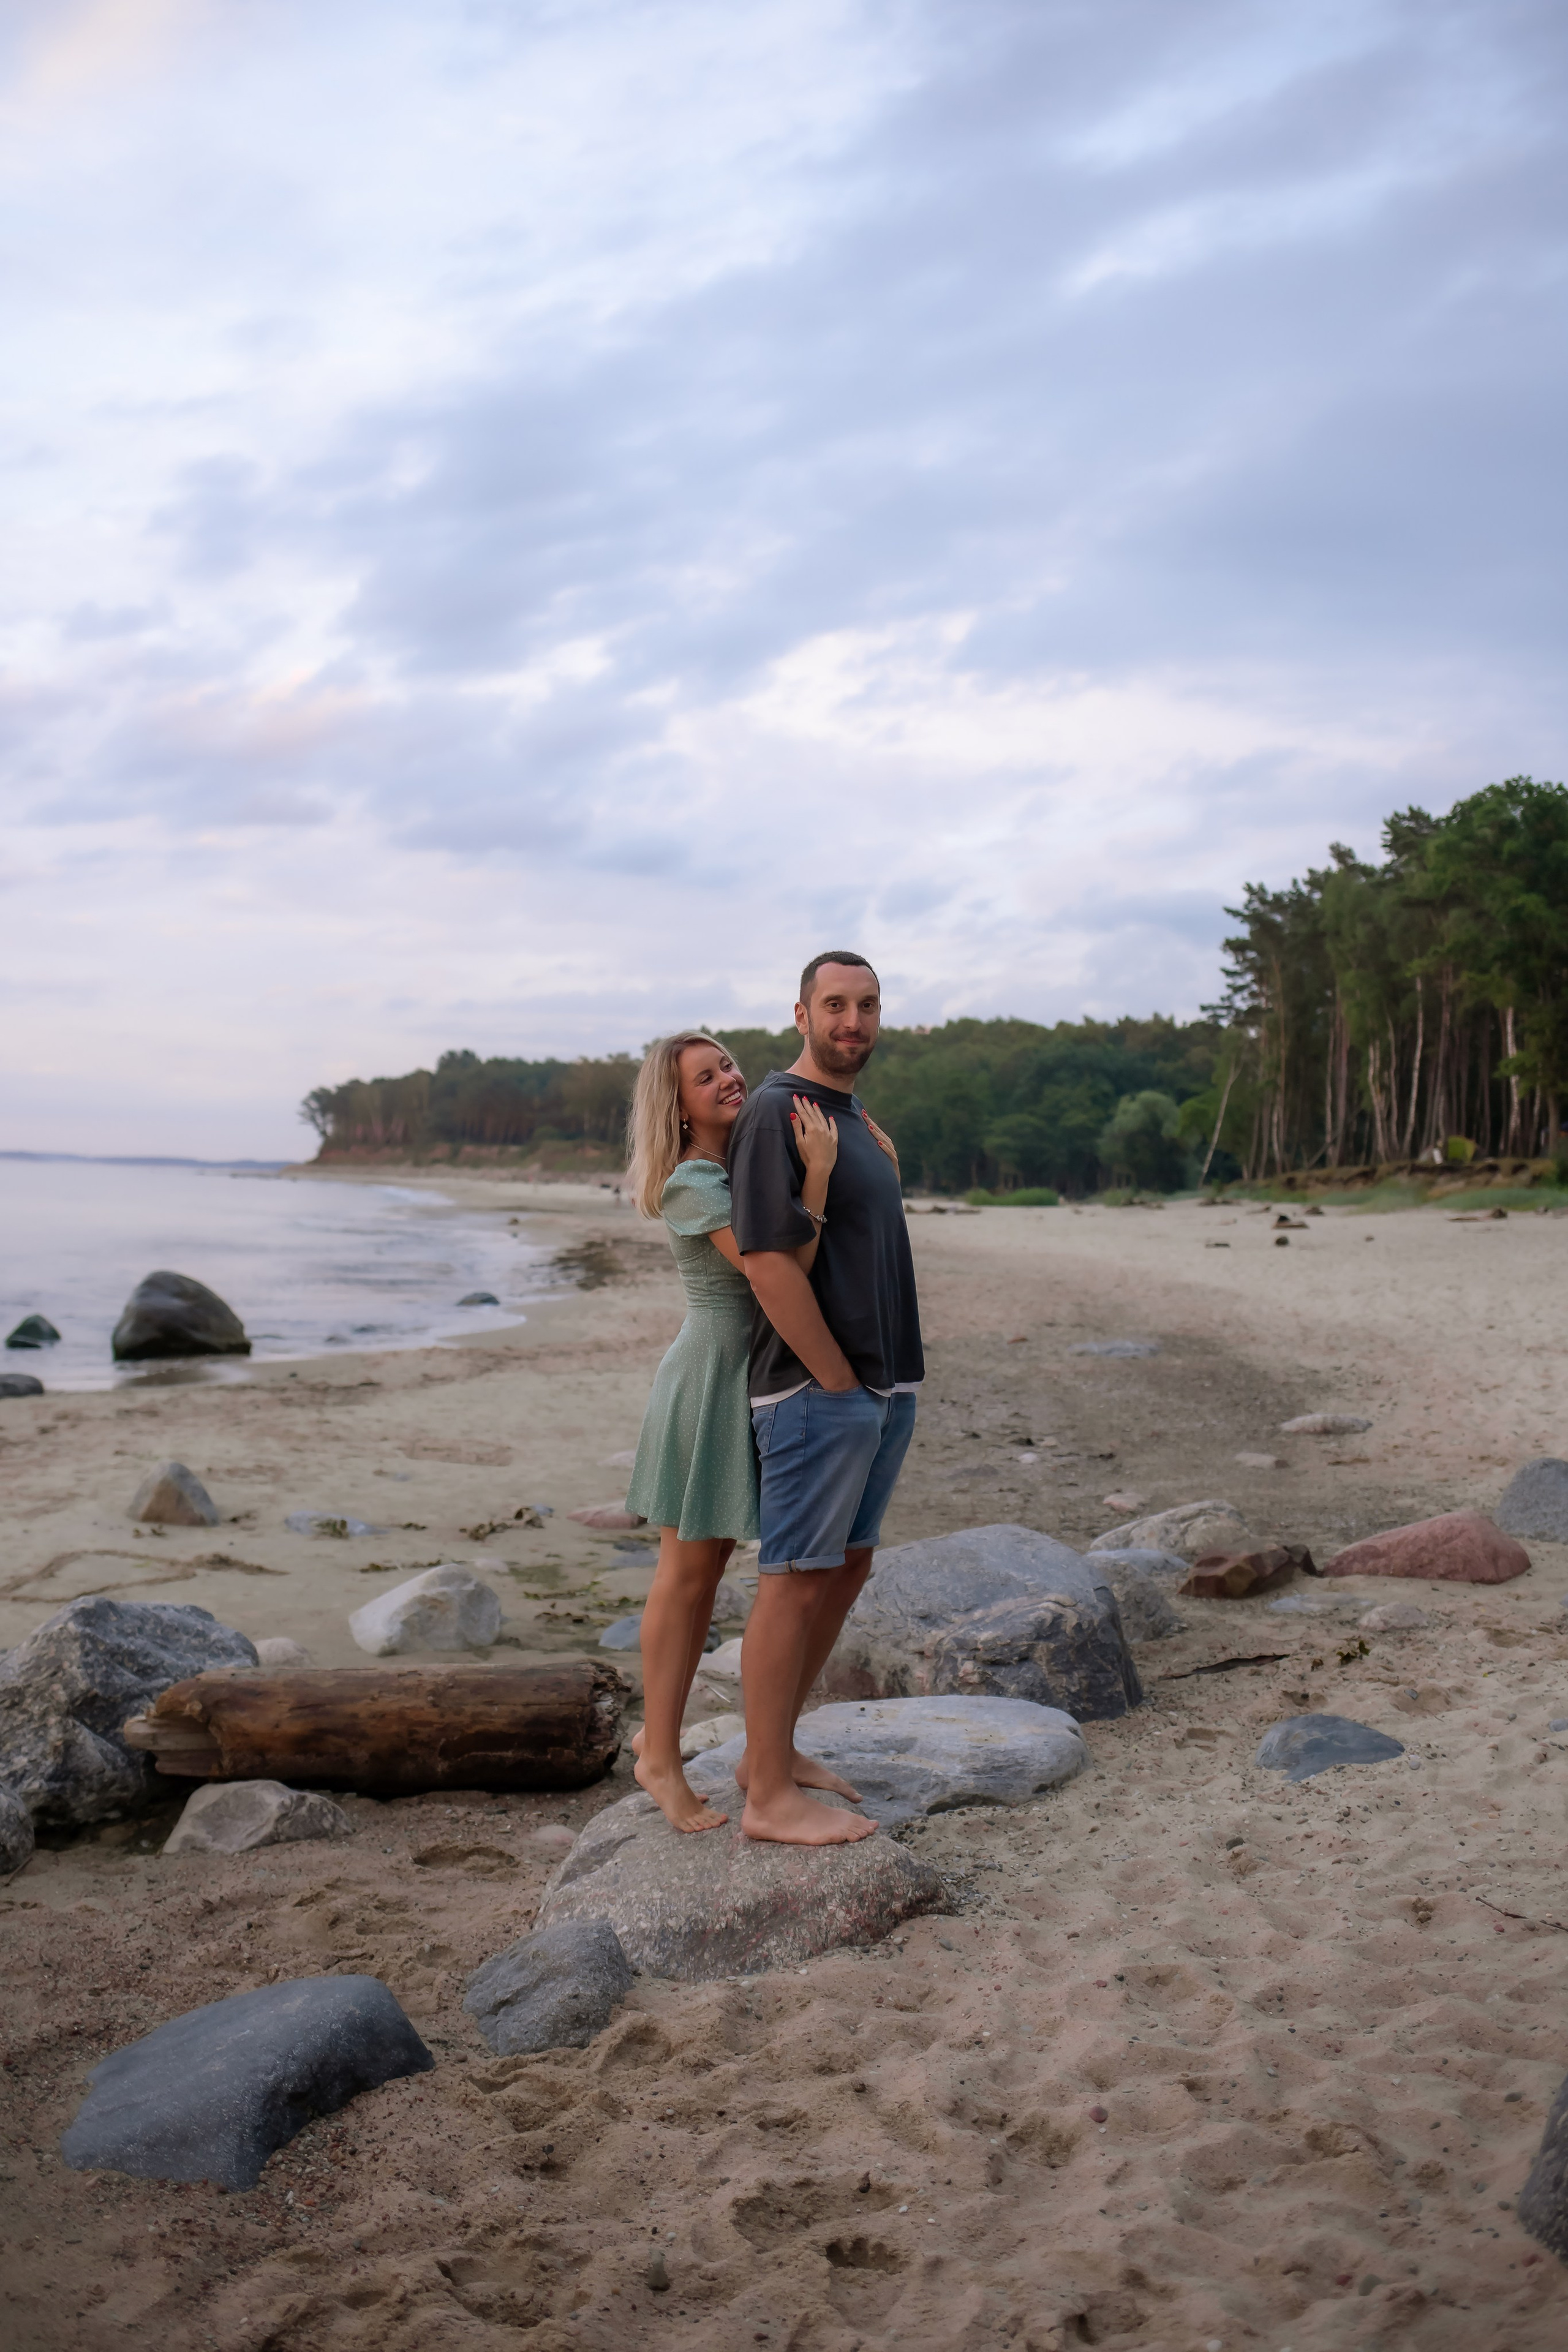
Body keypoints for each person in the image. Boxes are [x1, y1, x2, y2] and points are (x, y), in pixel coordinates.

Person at [727, 952, 923, 1845]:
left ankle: (771, 1753)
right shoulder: (778, 1109)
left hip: (881, 1383)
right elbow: (768, 1263)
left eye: (868, 1004)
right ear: (800, 1013)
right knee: (794, 1582)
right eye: (836, 1005)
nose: (855, 1021)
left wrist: (876, 1384)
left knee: (844, 1570)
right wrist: (834, 1378)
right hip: (819, 1388)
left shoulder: (849, 1115)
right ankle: (767, 1799)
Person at [622, 1031, 840, 1833]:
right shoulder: (691, 1180)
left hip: (743, 1377)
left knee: (706, 1573)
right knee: (686, 1577)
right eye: (704, 1076)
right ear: (676, 1104)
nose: (726, 1079)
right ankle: (659, 1760)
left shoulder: (740, 1163)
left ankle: (670, 1738)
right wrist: (816, 1176)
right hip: (708, 1379)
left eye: (727, 1066)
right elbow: (770, 1267)